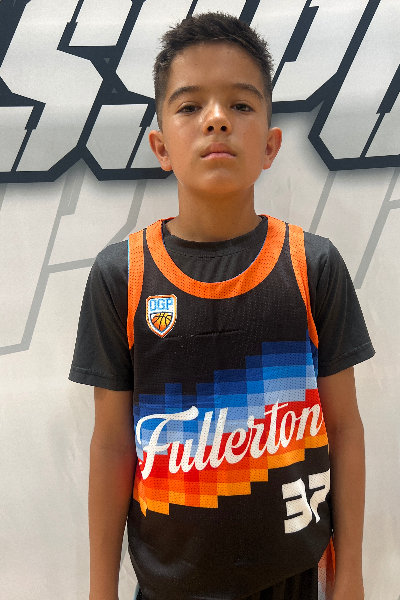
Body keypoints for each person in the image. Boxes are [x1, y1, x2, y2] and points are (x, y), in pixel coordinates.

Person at [69, 12, 374, 600]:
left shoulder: (313, 266)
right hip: (168, 587)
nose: (216, 119)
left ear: (270, 145)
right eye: (189, 106)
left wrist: (351, 573)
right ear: (161, 146)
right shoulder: (121, 277)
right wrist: (99, 588)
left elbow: (344, 428)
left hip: (294, 577)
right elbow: (111, 445)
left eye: (240, 104)